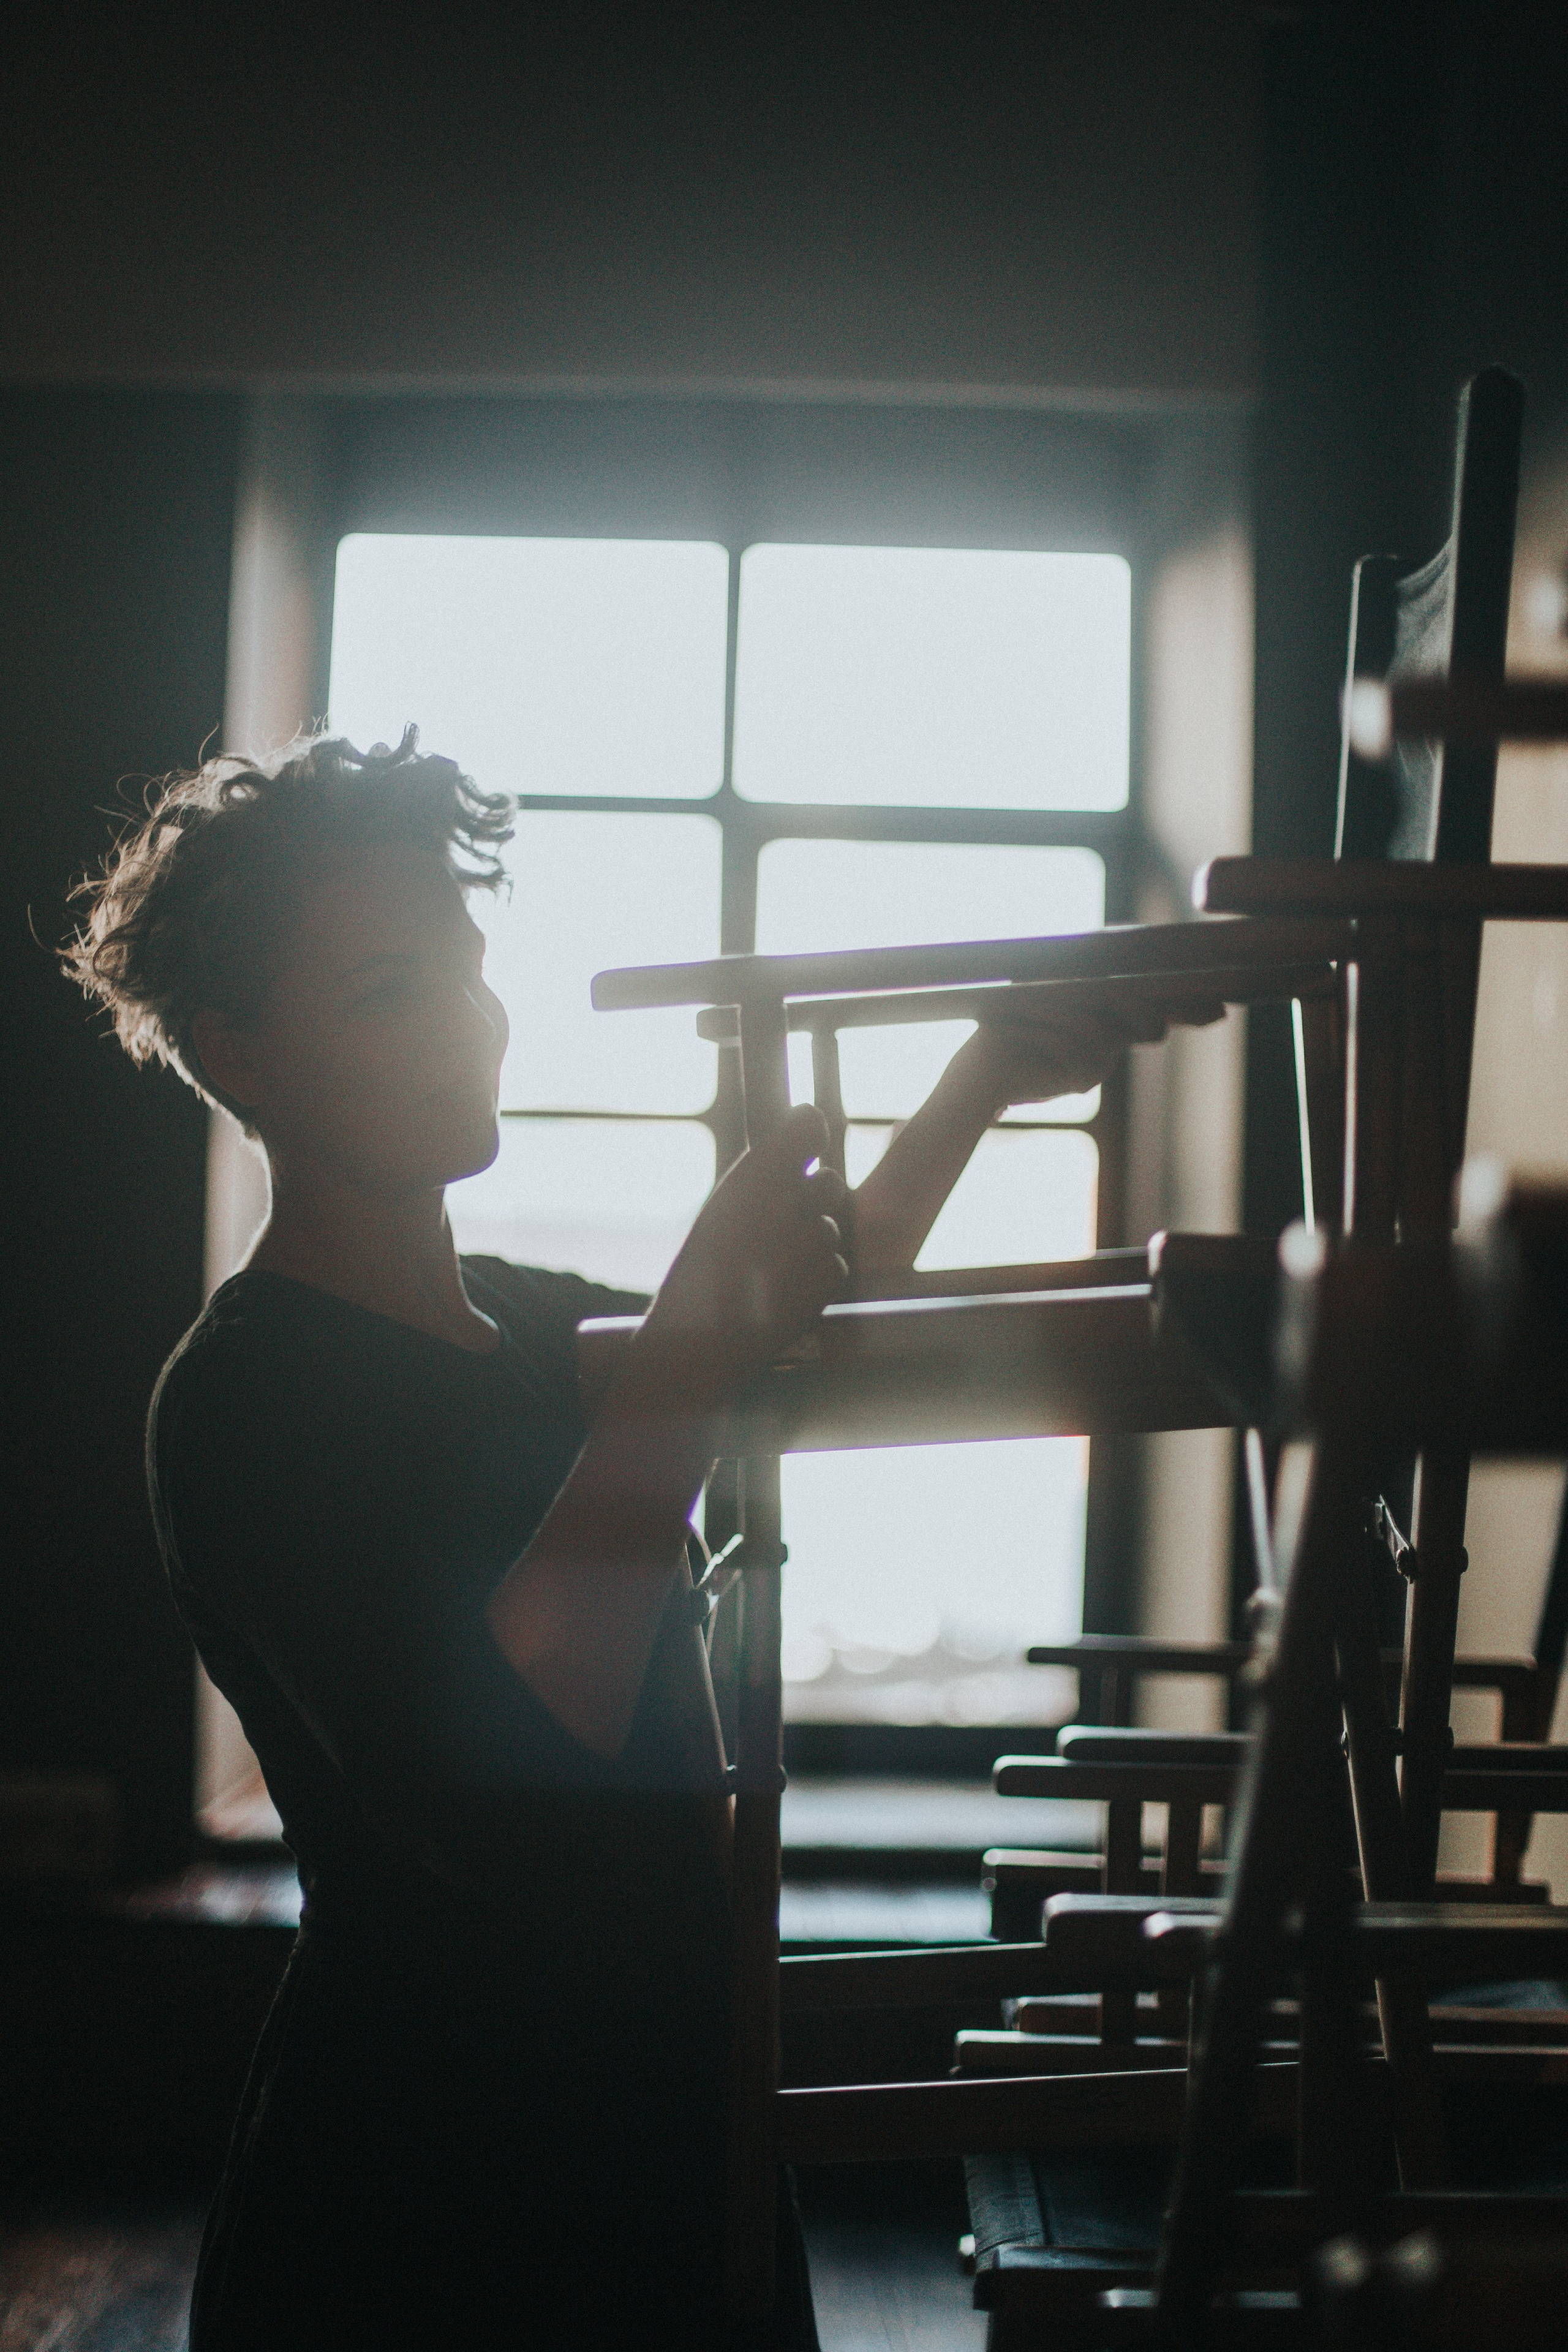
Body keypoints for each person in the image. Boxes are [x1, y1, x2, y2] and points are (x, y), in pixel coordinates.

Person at [65, 730, 1213, 2349]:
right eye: (391, 989)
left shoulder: (536, 1324)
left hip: (669, 2115)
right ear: (234, 1051)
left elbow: (803, 1329)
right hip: (428, 2187)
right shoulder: (246, 1395)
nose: (468, 1019)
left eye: (467, 968)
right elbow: (507, 1772)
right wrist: (683, 1363)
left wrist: (984, 1072)